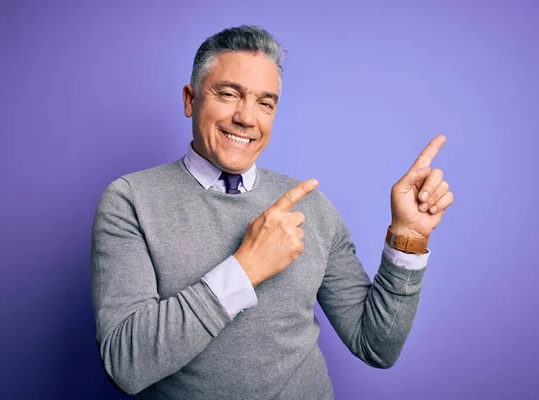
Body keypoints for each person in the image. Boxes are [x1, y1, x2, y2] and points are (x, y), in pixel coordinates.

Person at [90, 25, 454, 400]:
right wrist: (246, 268)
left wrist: (408, 237)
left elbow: (376, 346)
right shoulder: (130, 200)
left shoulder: (310, 204)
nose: (247, 118)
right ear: (190, 99)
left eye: (266, 103)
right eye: (229, 94)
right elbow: (125, 367)